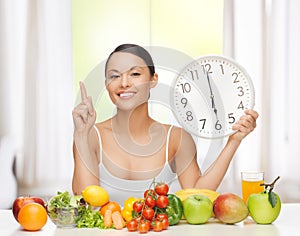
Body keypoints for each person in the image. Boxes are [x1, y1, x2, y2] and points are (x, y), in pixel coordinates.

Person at [72, 44, 258, 203]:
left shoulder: (176, 138)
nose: (124, 83)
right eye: (114, 76)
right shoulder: (90, 135)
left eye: (135, 73)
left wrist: (234, 141)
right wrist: (80, 135)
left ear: (153, 80)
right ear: (107, 84)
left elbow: (198, 194)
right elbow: (85, 201)